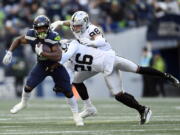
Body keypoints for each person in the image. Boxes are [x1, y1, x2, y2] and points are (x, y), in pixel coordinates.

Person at [51, 11, 180, 124]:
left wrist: (91, 42)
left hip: (109, 59)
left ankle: (165, 78)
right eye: (74, 25)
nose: (75, 28)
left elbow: (100, 40)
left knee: (135, 72)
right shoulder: (76, 26)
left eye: (78, 25)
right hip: (94, 64)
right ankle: (89, 107)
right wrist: (60, 22)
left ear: (85, 23)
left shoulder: (92, 29)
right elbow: (71, 23)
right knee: (77, 81)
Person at [2, 15, 84, 126]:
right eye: (39, 28)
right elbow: (18, 40)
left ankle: (76, 115)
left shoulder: (53, 36)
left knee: (68, 91)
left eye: (44, 27)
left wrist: (43, 53)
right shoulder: (31, 34)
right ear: (35, 28)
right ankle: (23, 103)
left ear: (48, 27)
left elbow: (58, 56)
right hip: (42, 65)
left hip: (56, 65)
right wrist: (10, 52)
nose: (41, 30)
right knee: (28, 86)